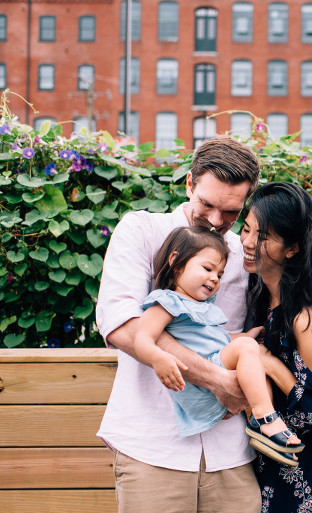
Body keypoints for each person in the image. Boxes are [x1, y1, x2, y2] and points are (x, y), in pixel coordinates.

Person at [96, 136, 262, 513]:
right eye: (207, 204)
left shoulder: (241, 254)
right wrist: (218, 380)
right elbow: (120, 323)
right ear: (189, 183)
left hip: (231, 452)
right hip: (154, 446)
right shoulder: (141, 231)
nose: (217, 221)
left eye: (232, 212)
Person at [134, 225, 304, 466]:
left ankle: (261, 424)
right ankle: (266, 418)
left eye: (220, 274)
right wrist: (157, 358)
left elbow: (214, 340)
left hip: (214, 372)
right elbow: (141, 337)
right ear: (176, 262)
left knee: (253, 357)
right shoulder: (166, 301)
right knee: (247, 349)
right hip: (200, 385)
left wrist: (244, 336)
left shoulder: (199, 306)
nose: (214, 278)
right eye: (207, 269)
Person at [240, 182, 312, 512]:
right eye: (246, 229)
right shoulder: (262, 299)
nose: (247, 243)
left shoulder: (305, 317)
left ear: (292, 248)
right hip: (271, 463)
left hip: (306, 477)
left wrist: (270, 364)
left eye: (262, 237)